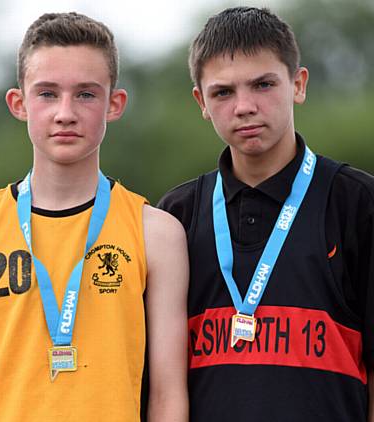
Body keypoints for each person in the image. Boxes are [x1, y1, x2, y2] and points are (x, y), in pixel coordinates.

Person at [0, 12, 188, 422]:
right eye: (47, 93)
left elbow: (167, 395)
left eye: (86, 94)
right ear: (19, 103)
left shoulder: (155, 232)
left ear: (114, 104)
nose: (65, 112)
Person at [158, 6, 374, 421]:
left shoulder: (358, 203)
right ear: (201, 101)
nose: (244, 106)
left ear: (298, 84)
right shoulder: (174, 217)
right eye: (223, 92)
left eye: (263, 85)